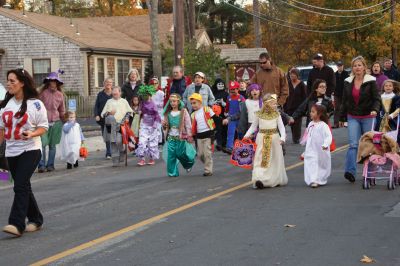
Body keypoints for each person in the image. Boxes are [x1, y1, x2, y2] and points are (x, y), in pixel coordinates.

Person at [1, 69, 48, 237]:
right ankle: (36, 219)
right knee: (24, 185)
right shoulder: (6, 104)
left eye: (12, 81)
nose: (9, 84)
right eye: (8, 81)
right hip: (11, 151)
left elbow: (44, 127)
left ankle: (16, 223)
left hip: (30, 150)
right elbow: (1, 129)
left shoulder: (35, 104)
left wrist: (32, 133)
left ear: (22, 83)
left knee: (19, 185)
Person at [339, 56, 381, 183]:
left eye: (359, 65)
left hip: (368, 116)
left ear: (364, 67)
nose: (357, 67)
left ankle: (370, 172)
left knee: (368, 145)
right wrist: (341, 117)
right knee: (353, 144)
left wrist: (375, 109)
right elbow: (344, 101)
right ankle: (350, 171)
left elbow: (377, 99)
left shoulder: (371, 81)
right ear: (352, 68)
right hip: (353, 117)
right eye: (355, 65)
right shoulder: (347, 81)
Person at [244, 93, 288, 189]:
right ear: (266, 104)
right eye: (273, 103)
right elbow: (253, 127)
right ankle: (259, 179)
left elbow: (281, 128)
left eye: (275, 104)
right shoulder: (259, 114)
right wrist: (246, 136)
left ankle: (273, 179)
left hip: (274, 139)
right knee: (260, 159)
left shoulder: (277, 115)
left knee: (273, 160)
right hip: (261, 138)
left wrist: (282, 138)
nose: (275, 105)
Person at [38, 71, 66, 173]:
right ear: (48, 82)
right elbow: (37, 107)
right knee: (42, 144)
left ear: (57, 83)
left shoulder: (60, 95)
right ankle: (41, 165)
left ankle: (50, 165)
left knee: (52, 145)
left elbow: (62, 110)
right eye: (51, 81)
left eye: (55, 81)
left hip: (56, 122)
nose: (53, 82)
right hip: (43, 122)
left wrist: (65, 120)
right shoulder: (42, 94)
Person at [162, 93, 195, 177]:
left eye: (174, 101)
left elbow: (188, 124)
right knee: (171, 156)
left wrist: (189, 135)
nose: (172, 103)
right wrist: (164, 126)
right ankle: (172, 173)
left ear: (178, 102)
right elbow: (165, 126)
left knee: (180, 154)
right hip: (170, 138)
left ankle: (188, 164)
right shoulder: (167, 113)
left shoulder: (183, 112)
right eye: (171, 101)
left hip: (180, 138)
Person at [101, 87, 133, 167]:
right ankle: (115, 160)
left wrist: (126, 118)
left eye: (116, 93)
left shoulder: (124, 101)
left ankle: (122, 151)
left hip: (120, 125)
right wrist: (109, 113)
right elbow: (103, 114)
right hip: (111, 125)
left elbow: (129, 111)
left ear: (120, 93)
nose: (115, 94)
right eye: (113, 93)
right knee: (113, 142)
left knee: (118, 141)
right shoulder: (109, 101)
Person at [302, 105, 332, 188]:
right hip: (311, 149)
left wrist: (325, 144)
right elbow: (308, 136)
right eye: (310, 111)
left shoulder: (323, 125)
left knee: (320, 164)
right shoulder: (310, 124)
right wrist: (305, 151)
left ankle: (319, 179)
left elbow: (328, 136)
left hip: (321, 149)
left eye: (313, 112)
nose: (310, 113)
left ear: (319, 114)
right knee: (312, 162)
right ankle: (313, 180)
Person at [190, 93, 216, 176]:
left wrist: (222, 121)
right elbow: (193, 126)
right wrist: (192, 135)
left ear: (200, 102)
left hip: (208, 134)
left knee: (207, 153)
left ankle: (208, 170)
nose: (193, 105)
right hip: (199, 136)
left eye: (194, 103)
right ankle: (208, 162)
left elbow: (215, 118)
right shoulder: (193, 114)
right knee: (200, 154)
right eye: (191, 103)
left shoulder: (207, 109)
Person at [136, 85, 161, 166]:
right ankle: (142, 158)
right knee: (142, 141)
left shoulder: (153, 104)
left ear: (150, 95)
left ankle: (151, 158)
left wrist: (155, 124)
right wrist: (138, 112)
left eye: (147, 95)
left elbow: (157, 116)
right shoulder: (142, 103)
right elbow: (139, 110)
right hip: (144, 124)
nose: (145, 97)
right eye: (144, 95)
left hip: (153, 125)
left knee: (152, 143)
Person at [284, 68, 307, 143]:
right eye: (291, 75)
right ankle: (287, 136)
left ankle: (296, 138)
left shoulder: (301, 84)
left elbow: (304, 96)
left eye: (293, 75)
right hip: (289, 106)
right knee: (290, 122)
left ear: (297, 75)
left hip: (298, 107)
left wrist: (304, 108)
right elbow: (285, 95)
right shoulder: (288, 83)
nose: (292, 76)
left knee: (297, 123)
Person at [223, 81, 245, 154]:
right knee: (230, 132)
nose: (232, 91)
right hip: (231, 119)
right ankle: (229, 147)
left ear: (238, 89)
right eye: (231, 89)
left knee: (240, 133)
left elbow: (244, 109)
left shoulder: (241, 98)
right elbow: (227, 106)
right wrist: (225, 112)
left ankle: (242, 147)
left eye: (234, 89)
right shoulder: (229, 97)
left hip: (240, 119)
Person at [94, 78, 113, 158]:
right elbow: (96, 106)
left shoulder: (114, 94)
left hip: (113, 119)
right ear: (104, 84)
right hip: (103, 119)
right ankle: (109, 152)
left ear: (112, 84)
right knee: (106, 136)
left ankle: (111, 152)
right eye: (107, 82)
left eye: (110, 82)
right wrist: (96, 115)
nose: (108, 84)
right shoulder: (100, 94)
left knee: (112, 135)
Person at [211, 78, 228, 151]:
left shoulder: (226, 94)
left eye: (222, 84)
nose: (221, 85)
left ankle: (224, 143)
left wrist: (223, 103)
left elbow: (228, 104)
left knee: (224, 128)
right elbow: (210, 102)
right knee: (218, 129)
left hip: (224, 113)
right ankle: (219, 144)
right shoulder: (213, 93)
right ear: (216, 85)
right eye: (219, 84)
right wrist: (214, 102)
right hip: (216, 114)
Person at [332, 61, 349, 128]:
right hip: (336, 94)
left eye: (341, 66)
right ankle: (336, 123)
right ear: (337, 67)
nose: (340, 67)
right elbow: (333, 84)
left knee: (345, 108)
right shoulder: (335, 74)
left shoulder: (346, 74)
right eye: (339, 66)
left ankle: (345, 123)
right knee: (336, 109)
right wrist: (333, 91)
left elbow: (348, 84)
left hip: (345, 93)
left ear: (343, 66)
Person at [150, 77, 165, 145]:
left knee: (158, 127)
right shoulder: (149, 93)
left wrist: (155, 105)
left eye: (156, 84)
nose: (154, 85)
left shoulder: (161, 93)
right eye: (153, 84)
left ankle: (160, 141)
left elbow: (163, 103)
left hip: (159, 112)